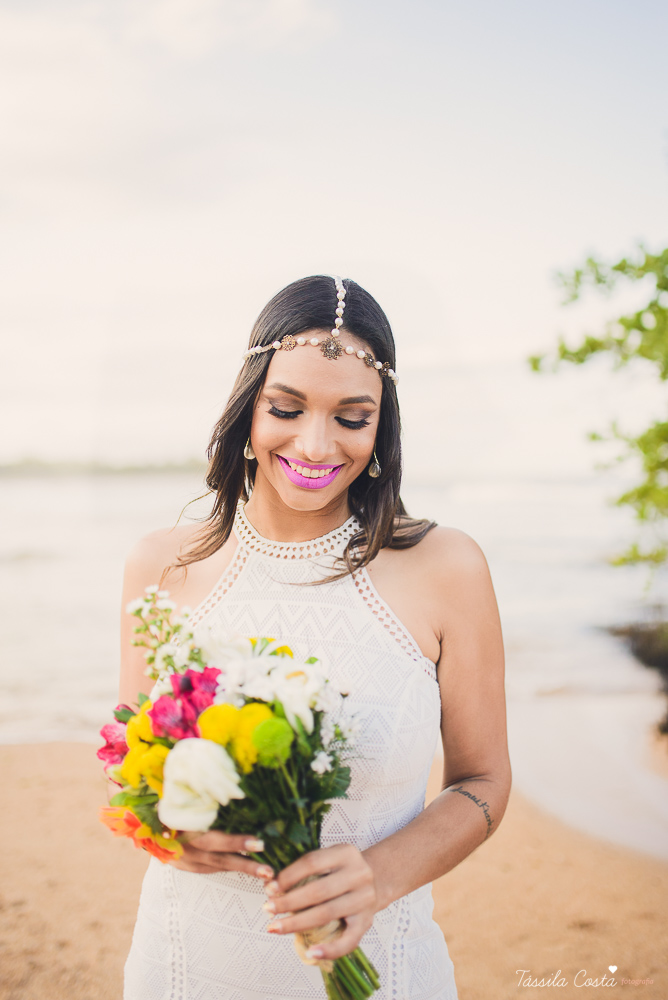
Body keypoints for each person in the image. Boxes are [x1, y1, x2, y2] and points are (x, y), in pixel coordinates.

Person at [119, 274, 510, 1000]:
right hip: (188, 965)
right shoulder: (161, 566)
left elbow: (483, 783)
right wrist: (175, 834)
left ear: (380, 429)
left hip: (386, 967)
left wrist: (376, 877)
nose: (315, 443)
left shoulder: (447, 568)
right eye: (287, 408)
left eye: (352, 417)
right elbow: (131, 775)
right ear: (248, 411)